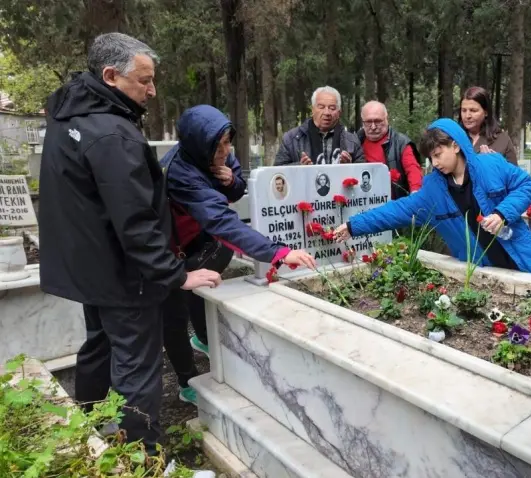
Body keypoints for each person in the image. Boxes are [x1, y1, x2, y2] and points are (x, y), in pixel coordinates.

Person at [38, 33, 221, 460]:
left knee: (98, 348)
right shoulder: (112, 134)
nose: (152, 91)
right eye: (144, 80)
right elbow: (135, 221)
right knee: (138, 370)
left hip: (90, 270)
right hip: (124, 277)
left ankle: (87, 433)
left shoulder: (71, 114)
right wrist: (177, 274)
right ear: (110, 76)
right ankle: (145, 461)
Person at [161, 104, 318, 404]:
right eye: (219, 147)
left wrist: (231, 181)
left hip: (197, 239)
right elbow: (222, 221)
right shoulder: (181, 172)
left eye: (228, 142)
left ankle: (203, 339)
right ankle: (187, 380)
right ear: (199, 144)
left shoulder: (215, 148)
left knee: (204, 283)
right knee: (173, 314)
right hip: (167, 247)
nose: (226, 151)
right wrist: (279, 253)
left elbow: (236, 189)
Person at [333, 119, 531, 275]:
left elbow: (525, 185)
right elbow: (397, 211)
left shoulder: (491, 165)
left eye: (438, 154)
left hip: (524, 260)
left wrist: (501, 214)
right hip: (483, 273)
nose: (434, 163)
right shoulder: (432, 191)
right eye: (430, 157)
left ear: (455, 145)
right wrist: (353, 226)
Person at [274, 86, 365, 165]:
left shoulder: (352, 140)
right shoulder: (291, 139)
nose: (327, 112)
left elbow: (363, 174)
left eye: (332, 108)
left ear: (339, 112)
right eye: (321, 107)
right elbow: (277, 173)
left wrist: (349, 167)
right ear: (313, 110)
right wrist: (299, 167)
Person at [358, 101, 423, 199]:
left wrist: (415, 194)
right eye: (368, 122)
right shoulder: (355, 142)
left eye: (378, 121)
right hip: (362, 204)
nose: (373, 127)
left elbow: (413, 170)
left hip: (393, 205)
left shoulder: (400, 143)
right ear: (363, 122)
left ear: (386, 119)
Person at [460, 86, 518, 164]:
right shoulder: (454, 138)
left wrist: (493, 164)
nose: (467, 116)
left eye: (473, 111)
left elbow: (514, 174)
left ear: (486, 112)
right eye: (464, 110)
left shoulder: (502, 140)